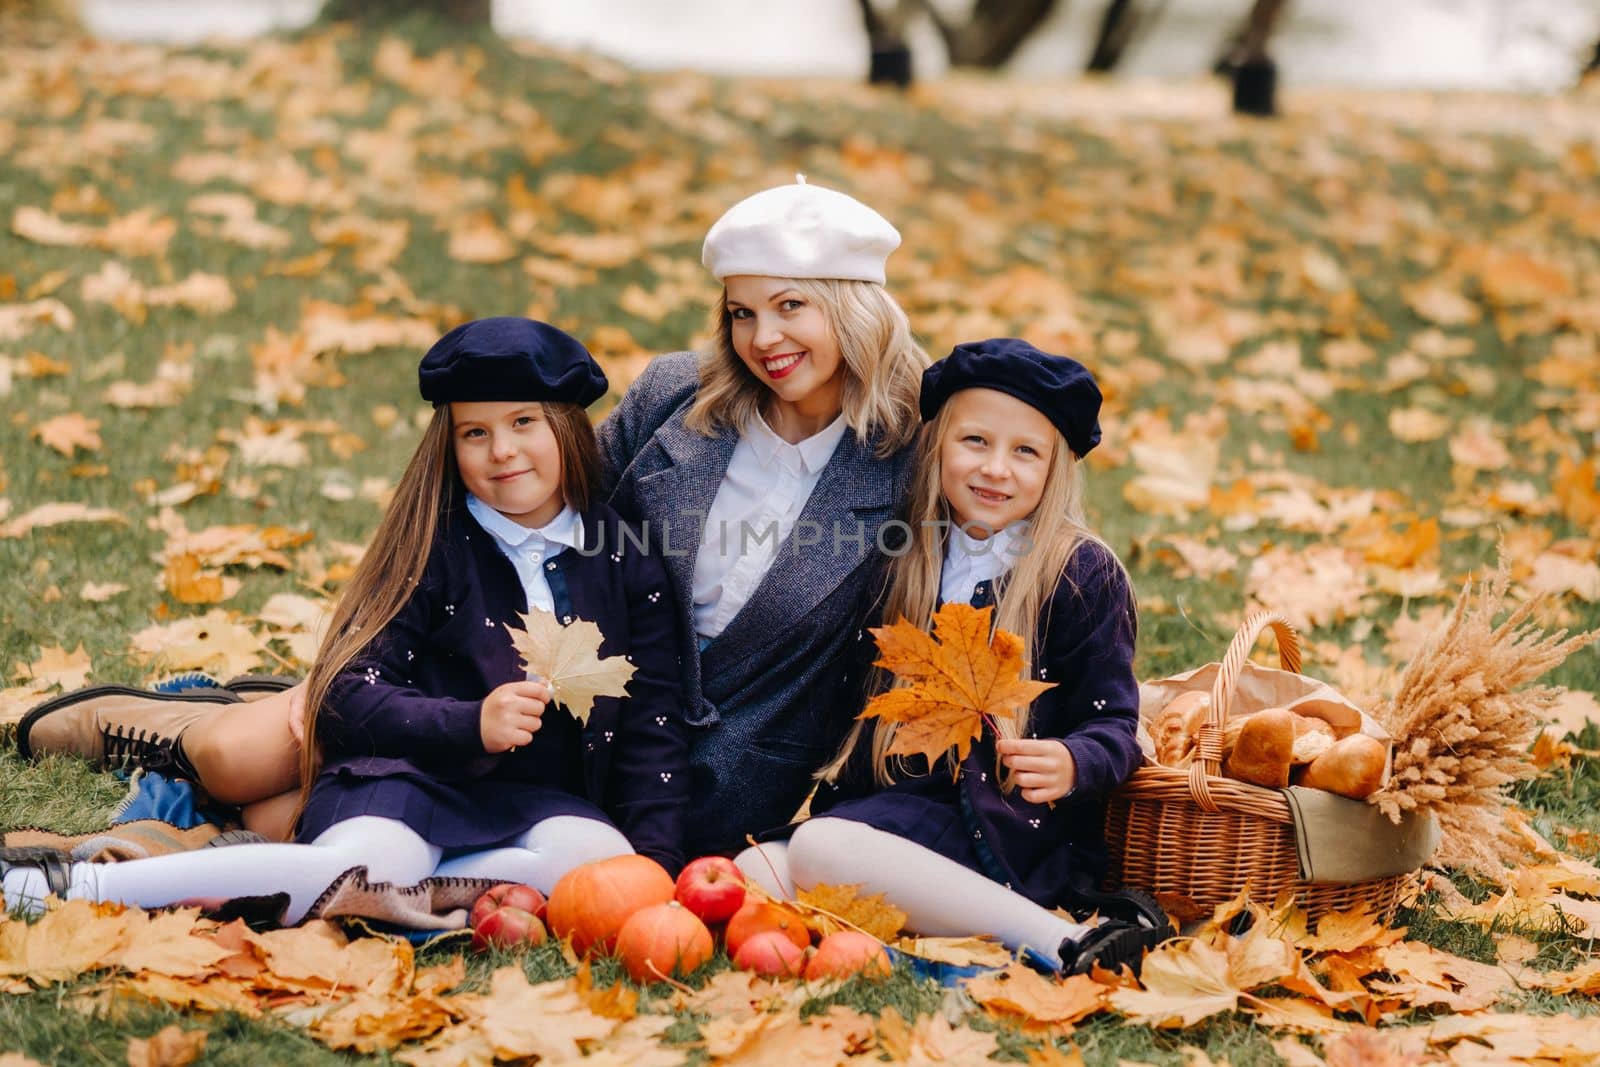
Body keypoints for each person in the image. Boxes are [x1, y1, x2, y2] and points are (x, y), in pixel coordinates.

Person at [19, 177, 925, 859]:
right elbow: (530, 497)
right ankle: (157, 730)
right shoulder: (676, 396)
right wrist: (390, 651)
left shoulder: (910, 459)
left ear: (854, 303)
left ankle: (201, 829)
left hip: (697, 767)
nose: (763, 337)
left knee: (298, 811)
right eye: (742, 312)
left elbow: (1018, 565)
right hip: (505, 674)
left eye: (792, 306)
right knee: (247, 752)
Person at [2, 319, 688, 919]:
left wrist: (655, 864)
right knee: (363, 868)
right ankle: (75, 884)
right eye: (474, 432)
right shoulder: (434, 545)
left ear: (565, 423)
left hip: (540, 799)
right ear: (448, 446)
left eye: (523, 422)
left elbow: (652, 721)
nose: (502, 451)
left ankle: (375, 880)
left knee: (601, 862)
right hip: (405, 777)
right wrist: (469, 722)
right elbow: (348, 691)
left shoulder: (624, 558)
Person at [734, 339, 1169, 975]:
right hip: (893, 810)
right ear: (936, 445)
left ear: (1056, 469)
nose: (997, 468)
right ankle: (920, 952)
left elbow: (1115, 724)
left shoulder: (1077, 572)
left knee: (821, 850)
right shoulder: (904, 557)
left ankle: (1062, 943)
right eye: (975, 442)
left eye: (1026, 452)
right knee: (753, 874)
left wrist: (1073, 761)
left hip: (1008, 826)